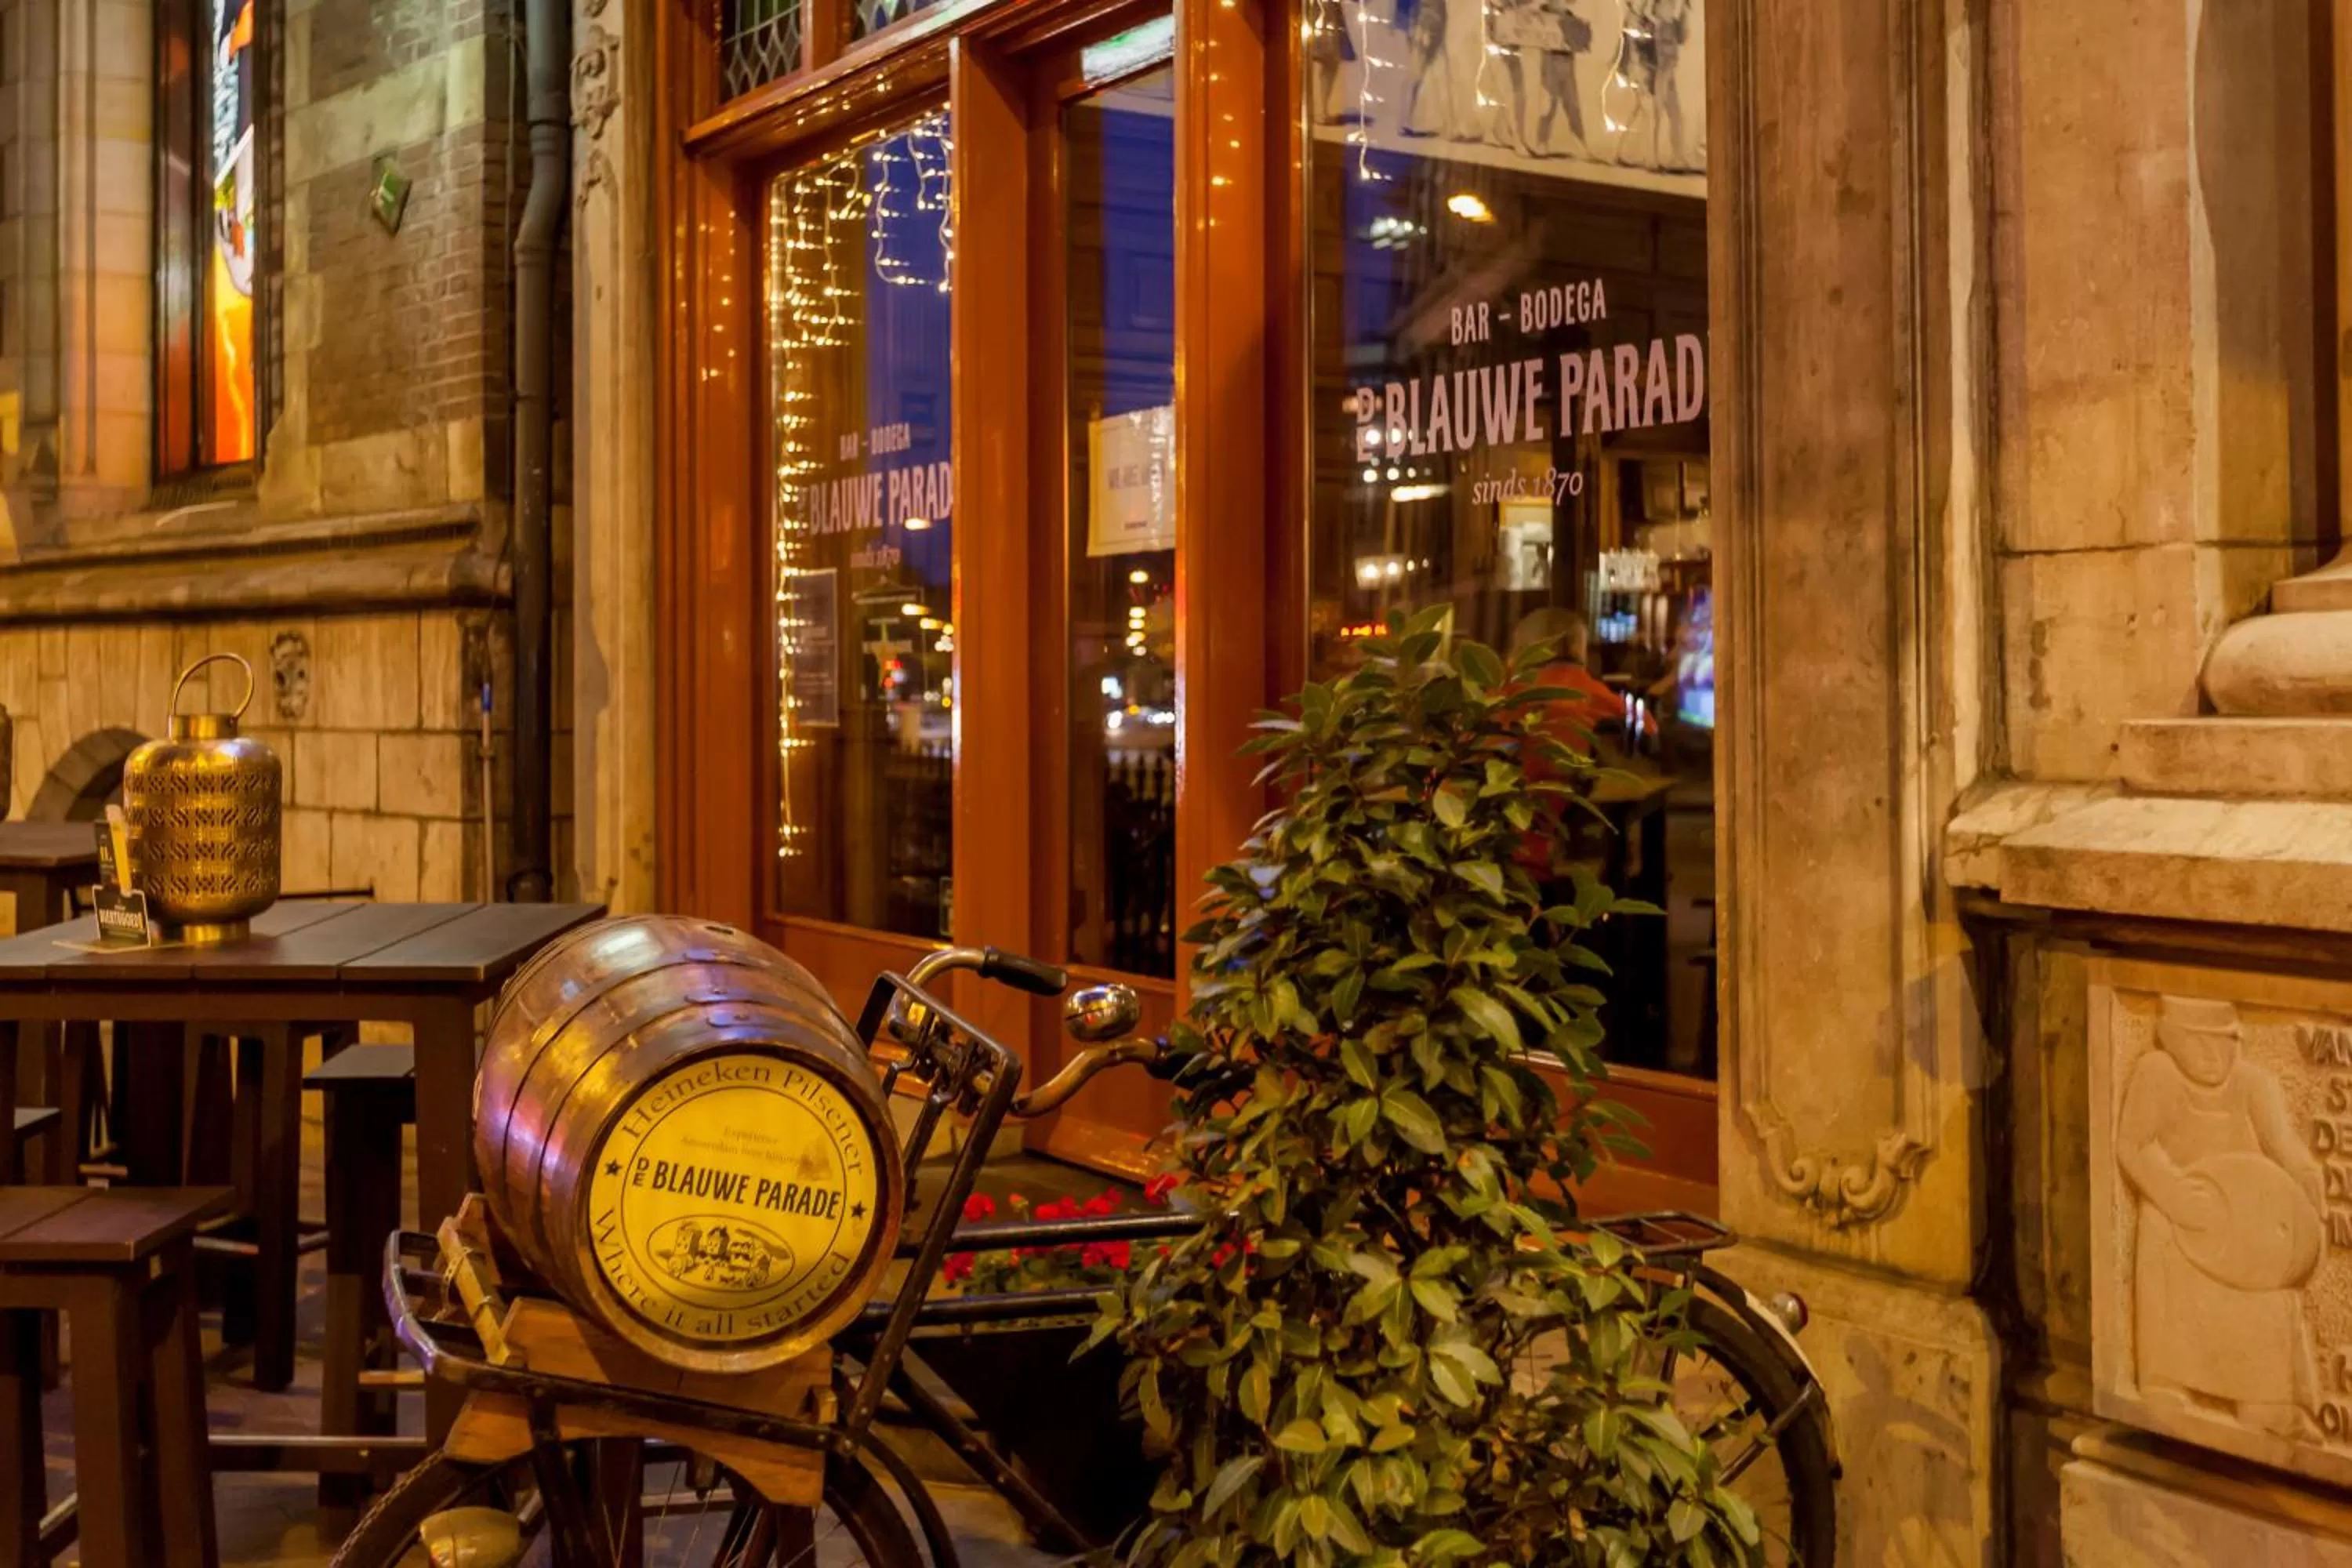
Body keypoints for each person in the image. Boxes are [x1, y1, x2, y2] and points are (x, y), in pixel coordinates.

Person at [2115, 995, 2321, 1438]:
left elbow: (2282, 1145)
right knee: (2158, 1228)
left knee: (2268, 1272)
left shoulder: (2252, 1083)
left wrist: (2305, 1178)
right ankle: (2165, 1379)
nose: (2212, 1056)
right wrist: (2172, 1192)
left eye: (2223, 1043)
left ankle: (2265, 1399)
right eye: (2198, 1043)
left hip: (2242, 1216)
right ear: (2172, 1040)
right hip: (2183, 1209)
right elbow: (2134, 1145)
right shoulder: (2157, 1074)